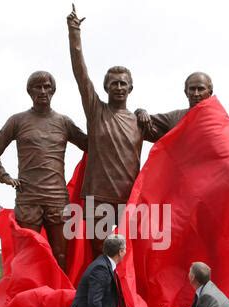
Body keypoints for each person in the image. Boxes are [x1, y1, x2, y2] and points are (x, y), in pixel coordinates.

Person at [66, 5, 153, 256]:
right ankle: (99, 296)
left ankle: (123, 297)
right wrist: (74, 34)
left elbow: (175, 126)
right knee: (99, 255)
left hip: (128, 198)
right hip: (98, 198)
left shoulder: (141, 121)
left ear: (131, 88)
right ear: (105, 87)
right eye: (113, 83)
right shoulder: (96, 111)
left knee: (129, 256)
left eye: (123, 83)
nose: (118, 87)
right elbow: (80, 73)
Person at [0, 70, 88, 272]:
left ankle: (61, 299)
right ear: (29, 91)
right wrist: (5, 178)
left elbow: (91, 146)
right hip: (28, 198)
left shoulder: (63, 122)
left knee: (60, 256)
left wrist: (101, 122)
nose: (43, 91)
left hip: (57, 198)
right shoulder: (17, 121)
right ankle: (26, 299)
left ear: (53, 90)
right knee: (27, 256)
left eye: (47, 86)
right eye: (37, 87)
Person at [136, 71, 213, 141]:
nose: (196, 94)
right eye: (192, 89)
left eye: (200, 89)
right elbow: (145, 125)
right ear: (186, 92)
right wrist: (140, 112)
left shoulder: (220, 120)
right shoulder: (175, 117)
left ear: (210, 93)